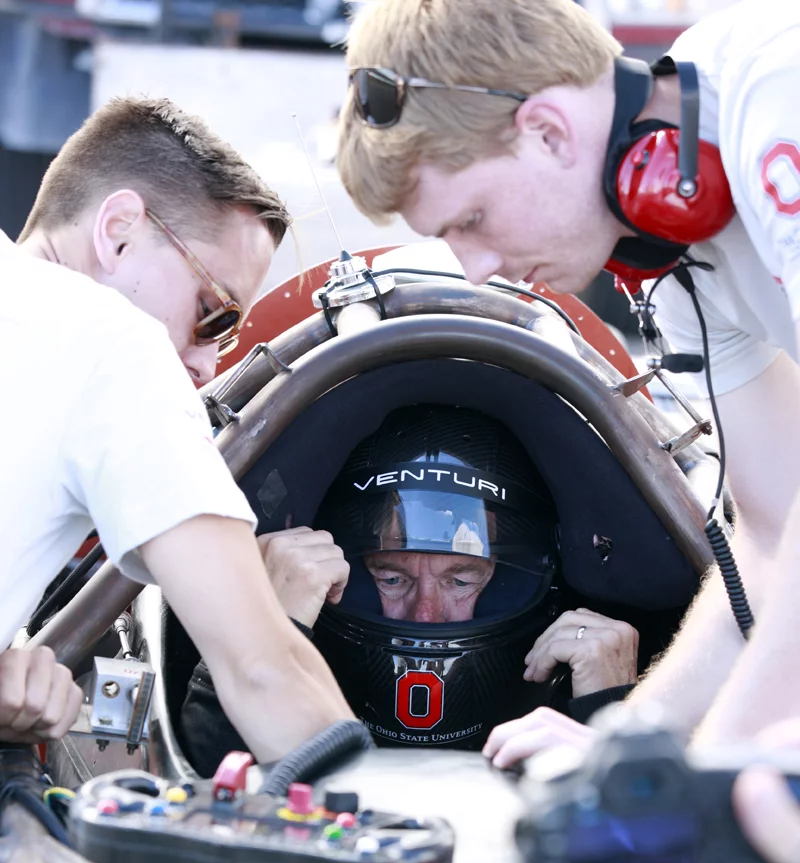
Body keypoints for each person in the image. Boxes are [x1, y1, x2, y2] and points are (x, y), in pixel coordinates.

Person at [336, 0, 800, 782]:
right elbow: (772, 532)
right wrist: (629, 742)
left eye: (472, 218)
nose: (475, 268)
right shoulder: (674, 259)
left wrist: (706, 779)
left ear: (549, 131)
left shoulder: (776, 93)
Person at [0, 96, 352, 762]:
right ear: (120, 230)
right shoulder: (115, 344)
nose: (204, 363)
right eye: (213, 314)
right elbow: (262, 670)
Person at [180, 404, 643, 773]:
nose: (425, 613)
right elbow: (204, 781)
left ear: (510, 578)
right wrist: (266, 629)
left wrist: (608, 713)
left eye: (460, 579)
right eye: (391, 577)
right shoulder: (294, 608)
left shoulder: (592, 666)